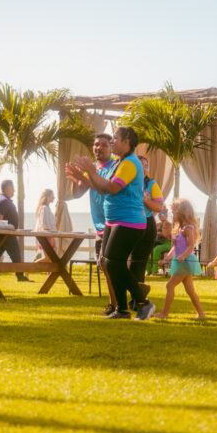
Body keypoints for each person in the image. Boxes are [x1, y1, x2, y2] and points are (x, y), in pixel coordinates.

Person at [68, 126, 155, 321]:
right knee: (108, 263)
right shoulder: (120, 163)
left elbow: (113, 188)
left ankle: (143, 302)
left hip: (129, 221)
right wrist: (85, 177)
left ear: (127, 141)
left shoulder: (130, 163)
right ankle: (121, 309)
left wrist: (91, 171)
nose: (112, 142)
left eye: (115, 139)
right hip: (113, 221)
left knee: (114, 263)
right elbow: (102, 189)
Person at [67, 133, 118, 314]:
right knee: (104, 266)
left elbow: (107, 189)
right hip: (99, 226)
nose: (99, 148)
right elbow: (77, 194)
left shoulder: (115, 166)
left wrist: (85, 177)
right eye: (96, 145)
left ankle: (117, 304)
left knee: (108, 265)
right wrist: (76, 180)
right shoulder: (92, 168)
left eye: (103, 145)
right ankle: (118, 302)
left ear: (111, 148)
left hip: (114, 223)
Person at [152, 199, 205, 319]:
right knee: (190, 290)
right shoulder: (180, 229)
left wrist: (183, 256)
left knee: (169, 285)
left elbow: (191, 246)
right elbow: (175, 249)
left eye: (173, 212)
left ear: (182, 213)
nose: (171, 215)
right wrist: (166, 259)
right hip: (181, 261)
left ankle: (164, 313)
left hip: (185, 262)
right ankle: (201, 314)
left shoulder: (188, 229)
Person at [125, 155, 163, 306]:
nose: (144, 169)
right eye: (140, 166)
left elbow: (159, 207)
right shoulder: (125, 183)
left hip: (146, 226)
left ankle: (137, 301)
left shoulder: (152, 185)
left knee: (138, 265)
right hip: (127, 225)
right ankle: (137, 296)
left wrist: (145, 199)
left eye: (146, 166)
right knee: (126, 265)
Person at [0, 179, 30, 282]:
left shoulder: (5, 200)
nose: (14, 190)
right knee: (16, 254)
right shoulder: (3, 201)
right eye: (13, 188)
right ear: (7, 188)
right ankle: (20, 276)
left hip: (7, 233)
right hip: (6, 233)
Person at [33, 188, 56, 262]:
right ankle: (31, 267)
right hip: (47, 238)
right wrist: (52, 238)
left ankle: (33, 265)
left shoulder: (46, 208)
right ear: (48, 197)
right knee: (48, 259)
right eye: (53, 195)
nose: (54, 197)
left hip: (48, 237)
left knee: (50, 260)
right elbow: (45, 226)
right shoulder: (45, 208)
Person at [149, 208, 172, 275]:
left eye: (162, 214)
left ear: (166, 215)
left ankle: (155, 271)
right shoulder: (157, 224)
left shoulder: (169, 224)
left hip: (168, 243)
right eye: (159, 214)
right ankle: (148, 270)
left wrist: (159, 232)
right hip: (158, 242)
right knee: (147, 250)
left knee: (157, 249)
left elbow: (166, 235)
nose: (160, 215)